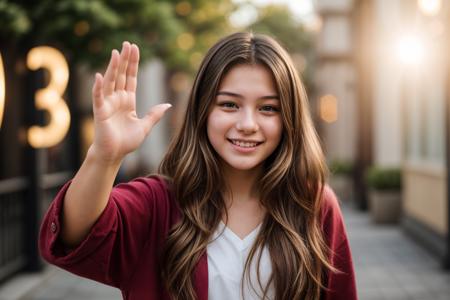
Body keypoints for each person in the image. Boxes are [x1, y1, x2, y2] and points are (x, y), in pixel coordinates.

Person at [39, 32, 357, 300]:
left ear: (288, 118)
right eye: (229, 104)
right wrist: (104, 156)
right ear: (203, 111)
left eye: (268, 108)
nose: (248, 124)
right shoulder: (158, 203)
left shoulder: (313, 204)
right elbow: (73, 236)